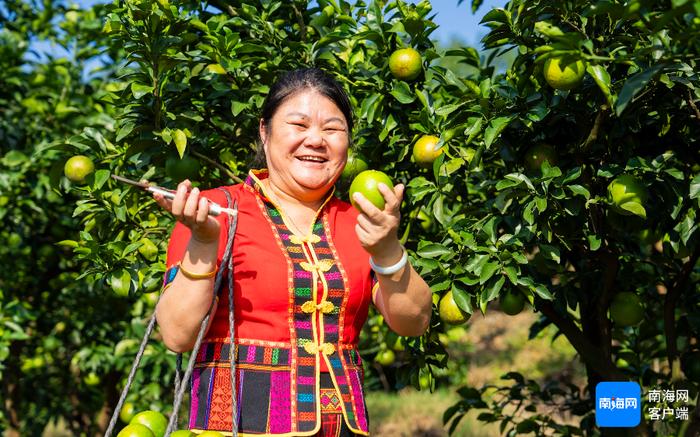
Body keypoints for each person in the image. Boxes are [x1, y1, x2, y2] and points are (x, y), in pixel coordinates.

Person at [154, 68, 432, 436]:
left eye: (332, 129)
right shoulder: (213, 211)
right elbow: (176, 335)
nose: (315, 140)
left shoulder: (360, 223)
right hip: (237, 424)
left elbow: (413, 321)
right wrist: (204, 243)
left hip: (342, 425)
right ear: (264, 132)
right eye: (298, 125)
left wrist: (387, 249)